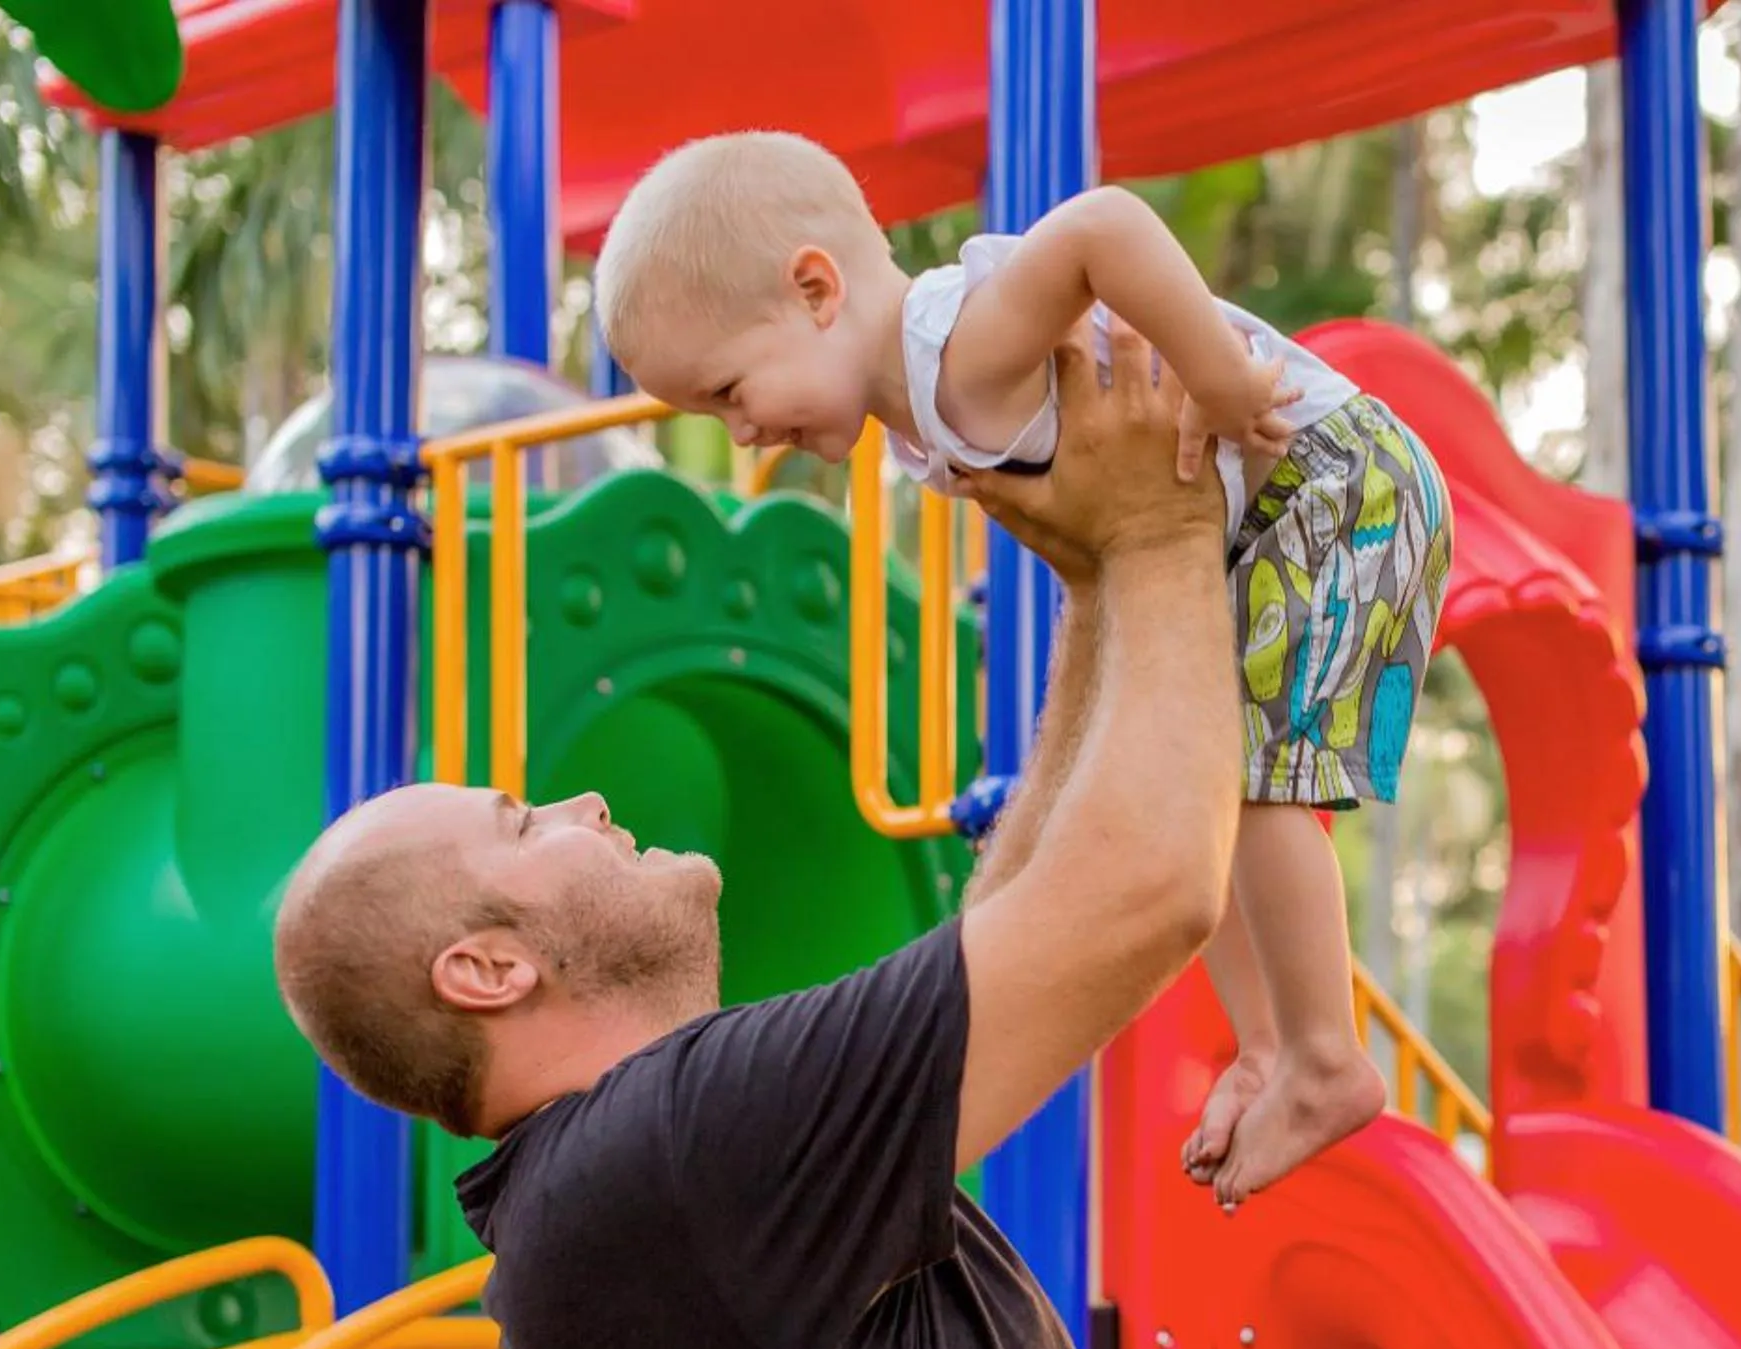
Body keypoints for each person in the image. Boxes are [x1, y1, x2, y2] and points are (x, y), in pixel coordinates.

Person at [272, 324, 1275, 1349]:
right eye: (527, 817)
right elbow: (1145, 890)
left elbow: (1017, 907)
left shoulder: (667, 1171)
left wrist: (1089, 602)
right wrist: (1160, 532)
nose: (588, 801)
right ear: (484, 970)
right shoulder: (665, 1161)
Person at [592, 128, 1452, 1208]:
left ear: (815, 288)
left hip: (1334, 485)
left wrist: (1223, 381)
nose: (746, 433)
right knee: (1210, 792)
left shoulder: (956, 351)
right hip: (1258, 523)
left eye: (729, 390)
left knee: (1258, 782)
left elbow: (1104, 226)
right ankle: (1270, 1048)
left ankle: (1327, 1054)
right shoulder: (923, 418)